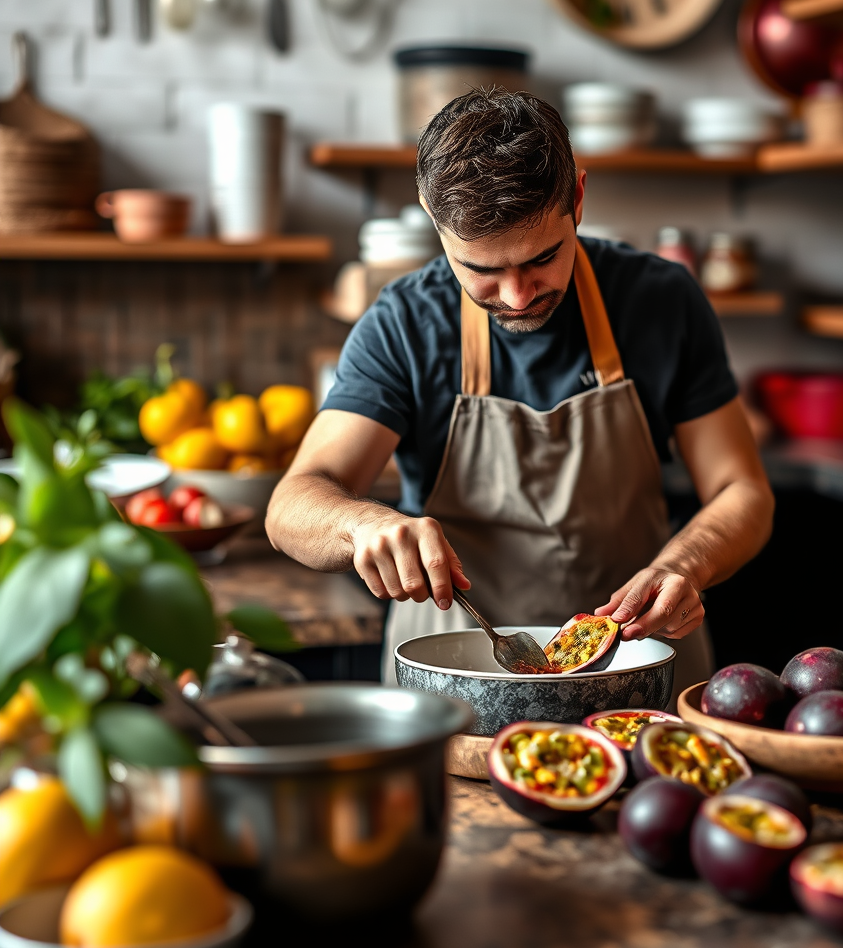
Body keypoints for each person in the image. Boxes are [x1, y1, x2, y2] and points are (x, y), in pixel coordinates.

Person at [266, 88, 774, 691]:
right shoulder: (405, 323)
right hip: (453, 678)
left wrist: (684, 564)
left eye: (542, 259)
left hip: (635, 670)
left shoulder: (663, 302)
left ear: (578, 198)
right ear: (434, 216)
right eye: (482, 271)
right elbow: (290, 507)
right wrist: (362, 527)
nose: (516, 296)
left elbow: (743, 490)